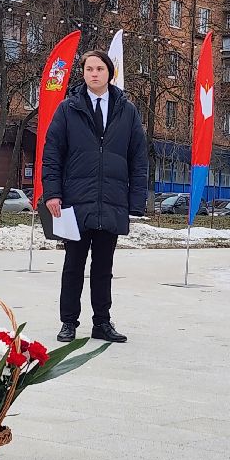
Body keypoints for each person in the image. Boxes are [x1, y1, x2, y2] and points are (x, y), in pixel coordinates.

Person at [42, 49, 148, 343]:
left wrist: (136, 201)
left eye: (99, 68)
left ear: (109, 73)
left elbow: (138, 158)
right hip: (75, 203)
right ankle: (68, 322)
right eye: (89, 69)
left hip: (111, 201)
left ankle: (102, 322)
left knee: (104, 268)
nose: (94, 74)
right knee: (73, 265)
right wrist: (52, 193)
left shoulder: (127, 110)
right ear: (84, 73)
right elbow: (52, 154)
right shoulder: (68, 108)